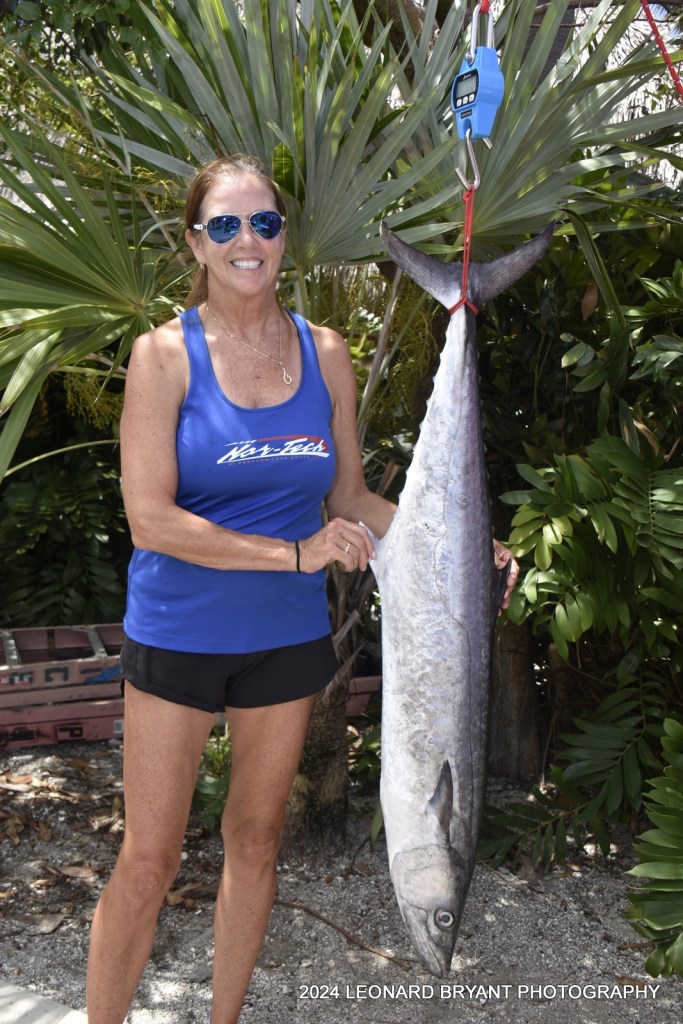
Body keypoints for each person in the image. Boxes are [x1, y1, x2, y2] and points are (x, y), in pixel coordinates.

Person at [85, 154, 518, 1024]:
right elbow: (150, 521)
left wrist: (457, 551)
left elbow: (349, 500)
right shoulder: (163, 356)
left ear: (284, 237)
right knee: (148, 862)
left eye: (265, 223)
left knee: (255, 843)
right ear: (195, 243)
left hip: (283, 641)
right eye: (225, 225)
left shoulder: (325, 353)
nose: (247, 240)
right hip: (178, 634)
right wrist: (293, 554)